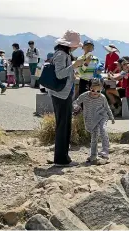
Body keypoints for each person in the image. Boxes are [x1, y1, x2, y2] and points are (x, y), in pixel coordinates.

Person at [49, 30, 87, 167]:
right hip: (61, 95)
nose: (77, 47)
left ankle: (64, 156)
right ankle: (60, 159)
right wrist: (74, 65)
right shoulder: (61, 55)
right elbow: (59, 74)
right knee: (63, 125)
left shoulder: (64, 54)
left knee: (65, 125)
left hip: (63, 94)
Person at [73, 79, 115, 163]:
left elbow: (107, 107)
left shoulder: (102, 97)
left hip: (102, 116)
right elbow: (75, 102)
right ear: (89, 87)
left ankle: (105, 150)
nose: (95, 92)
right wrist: (76, 107)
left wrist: (111, 117)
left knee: (103, 130)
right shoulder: (84, 96)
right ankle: (93, 155)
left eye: (98, 91)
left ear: (102, 89)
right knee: (94, 137)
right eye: (93, 90)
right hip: (91, 119)